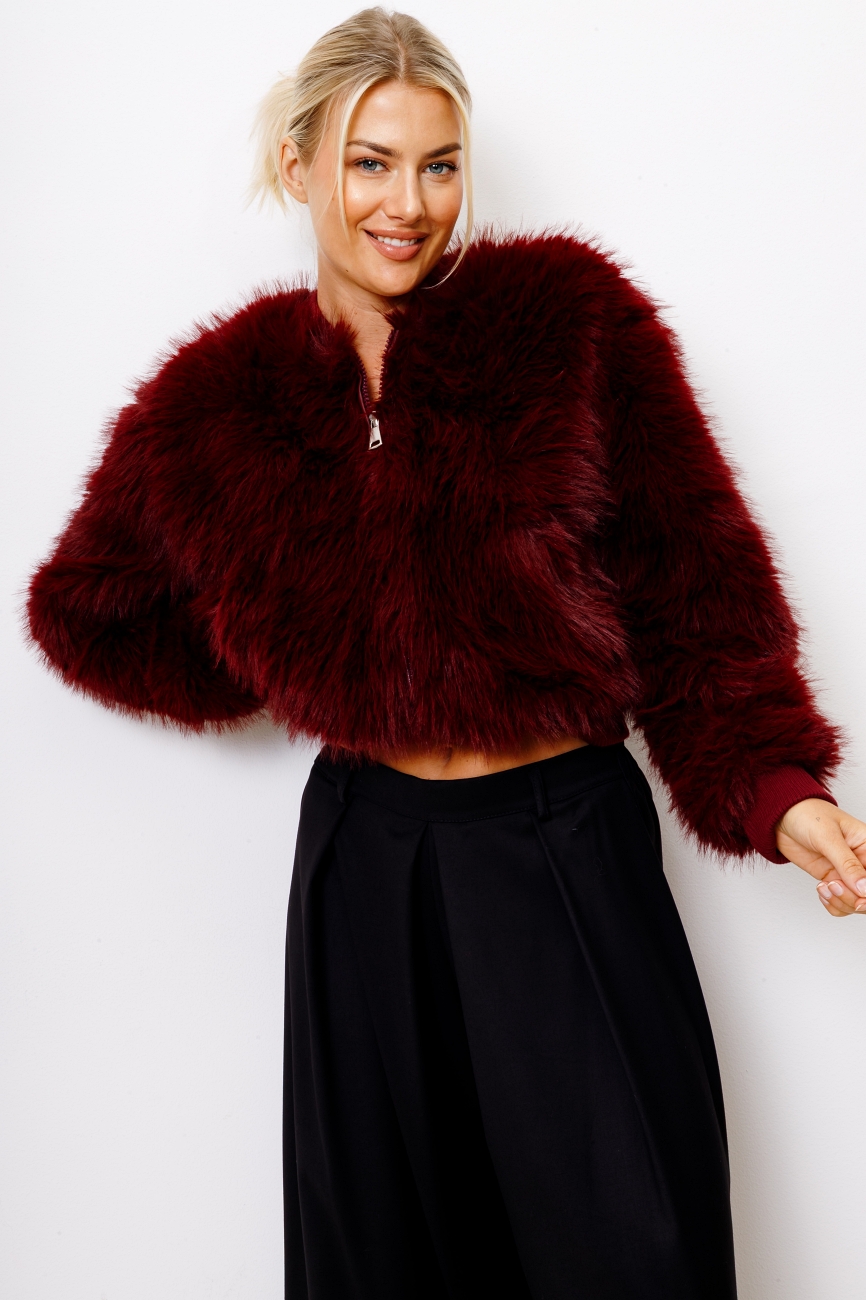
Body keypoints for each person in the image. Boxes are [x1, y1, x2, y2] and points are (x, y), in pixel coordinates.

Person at [25, 8, 866, 1299]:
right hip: (367, 865)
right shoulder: (220, 402)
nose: (406, 204)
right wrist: (297, 643)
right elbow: (86, 609)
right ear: (299, 164)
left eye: (438, 163)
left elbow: (698, 589)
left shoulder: (569, 325)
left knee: (634, 1243)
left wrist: (778, 795)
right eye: (369, 162)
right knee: (387, 1259)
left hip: (564, 844)